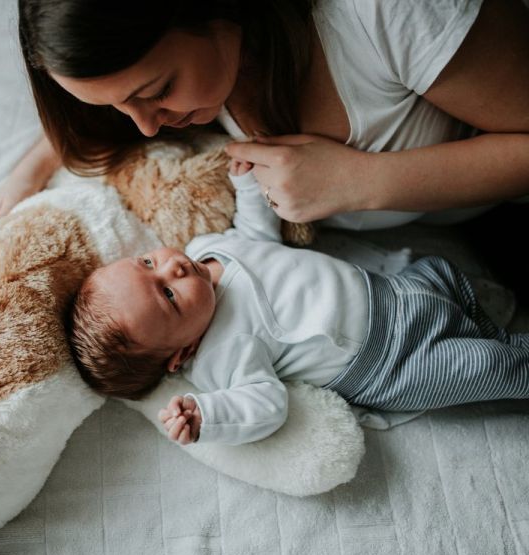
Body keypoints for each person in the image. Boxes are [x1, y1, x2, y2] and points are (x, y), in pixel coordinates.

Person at [65, 160, 529, 446]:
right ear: (183, 352)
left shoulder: (206, 249)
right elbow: (266, 404)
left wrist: (249, 190)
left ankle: (495, 327)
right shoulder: (223, 354)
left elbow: (257, 240)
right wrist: (210, 414)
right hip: (391, 363)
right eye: (168, 296)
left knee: (444, 272)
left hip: (394, 292)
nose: (173, 269)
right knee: (484, 366)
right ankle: (509, 355)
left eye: (148, 262)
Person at [0, 0, 529, 233]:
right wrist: (29, 173)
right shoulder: (181, 70)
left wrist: (364, 182)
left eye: (158, 90)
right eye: (115, 106)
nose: (144, 126)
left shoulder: (384, 13)